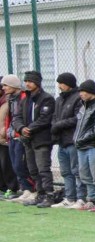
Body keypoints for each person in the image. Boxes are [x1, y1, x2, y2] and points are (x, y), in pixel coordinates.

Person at [12, 70, 56, 208]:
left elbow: (45, 119)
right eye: (26, 81)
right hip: (28, 140)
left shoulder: (47, 98)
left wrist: (29, 128)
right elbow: (16, 117)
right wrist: (21, 128)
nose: (27, 84)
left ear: (37, 82)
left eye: (30, 81)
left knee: (43, 169)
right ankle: (40, 194)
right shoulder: (25, 99)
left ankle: (49, 195)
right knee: (33, 169)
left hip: (41, 140)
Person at [51, 72, 86, 208]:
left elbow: (77, 118)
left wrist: (59, 124)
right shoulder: (59, 99)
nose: (59, 86)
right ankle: (69, 198)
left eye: (62, 83)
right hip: (62, 142)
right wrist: (54, 125)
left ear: (69, 84)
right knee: (66, 172)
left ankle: (81, 198)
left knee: (77, 171)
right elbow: (54, 116)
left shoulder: (78, 98)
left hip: (73, 141)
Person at [74, 80, 95, 211]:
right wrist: (77, 139)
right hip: (81, 146)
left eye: (83, 91)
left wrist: (83, 139)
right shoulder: (83, 107)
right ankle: (92, 199)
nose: (81, 94)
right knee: (85, 173)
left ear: (91, 92)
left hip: (94, 145)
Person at [1, 75, 34, 201]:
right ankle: (25, 190)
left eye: (6, 85)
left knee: (21, 165)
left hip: (21, 136)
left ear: (13, 85)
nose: (3, 88)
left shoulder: (24, 98)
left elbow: (23, 117)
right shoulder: (11, 99)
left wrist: (21, 132)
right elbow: (10, 118)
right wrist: (8, 131)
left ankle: (31, 189)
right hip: (11, 136)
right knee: (15, 165)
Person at [0, 80, 19, 197]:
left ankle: (12, 188)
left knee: (6, 164)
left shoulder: (8, 102)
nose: (4, 88)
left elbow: (10, 119)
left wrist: (4, 130)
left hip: (5, 138)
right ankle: (2, 188)